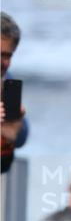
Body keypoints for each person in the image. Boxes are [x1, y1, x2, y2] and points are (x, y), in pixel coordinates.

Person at [1, 11, 29, 174]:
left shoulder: (6, 80)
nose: (1, 63)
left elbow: (22, 136)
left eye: (7, 56)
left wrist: (13, 133)